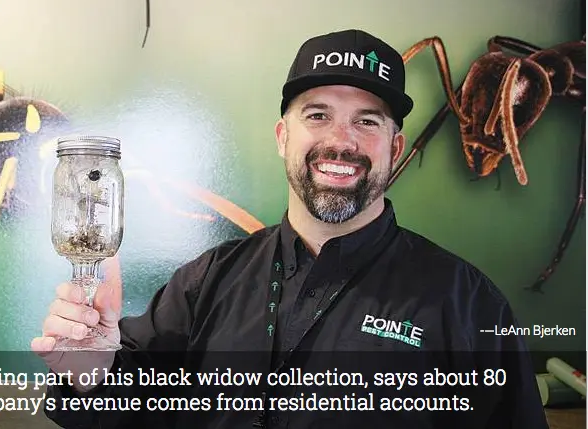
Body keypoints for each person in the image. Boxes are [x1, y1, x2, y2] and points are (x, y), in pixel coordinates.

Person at [32, 30, 549, 429]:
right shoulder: (207, 282)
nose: (341, 140)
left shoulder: (466, 303)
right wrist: (90, 374)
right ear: (284, 136)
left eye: (368, 121)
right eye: (317, 115)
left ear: (395, 149)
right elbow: (130, 415)